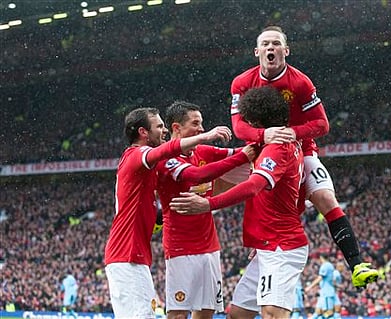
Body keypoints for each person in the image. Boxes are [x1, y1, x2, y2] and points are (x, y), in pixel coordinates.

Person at [229, 25, 379, 288]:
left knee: (324, 197)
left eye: (276, 44)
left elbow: (322, 124)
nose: (270, 48)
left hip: (299, 149)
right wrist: (266, 136)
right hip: (260, 150)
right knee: (226, 180)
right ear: (256, 52)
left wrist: (290, 132)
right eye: (265, 44)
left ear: (286, 50)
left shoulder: (300, 82)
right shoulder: (242, 82)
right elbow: (239, 127)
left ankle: (356, 264)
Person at [170, 86, 308, 319]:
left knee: (272, 313)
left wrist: (208, 204)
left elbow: (253, 185)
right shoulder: (274, 145)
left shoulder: (277, 147)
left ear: (256, 121)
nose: (245, 130)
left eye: (247, 124)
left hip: (281, 245)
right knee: (238, 315)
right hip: (267, 243)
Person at [104, 107, 233, 319]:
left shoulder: (146, 167)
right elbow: (167, 151)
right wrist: (207, 137)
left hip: (133, 255)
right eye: (159, 126)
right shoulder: (137, 154)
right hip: (126, 255)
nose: (164, 131)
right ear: (143, 132)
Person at [156, 101, 257, 319]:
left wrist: (266, 140)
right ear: (176, 128)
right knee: (178, 314)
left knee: (206, 312)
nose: (201, 129)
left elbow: (241, 152)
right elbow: (198, 175)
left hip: (210, 246)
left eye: (201, 124)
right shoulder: (165, 158)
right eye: (195, 123)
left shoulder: (202, 151)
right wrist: (243, 156)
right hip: (180, 248)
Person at [304, 254, 340, 319]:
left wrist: (309, 287)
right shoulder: (330, 266)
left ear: (321, 258)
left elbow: (320, 278)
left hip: (327, 293)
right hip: (324, 293)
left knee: (328, 313)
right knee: (318, 312)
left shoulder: (325, 265)